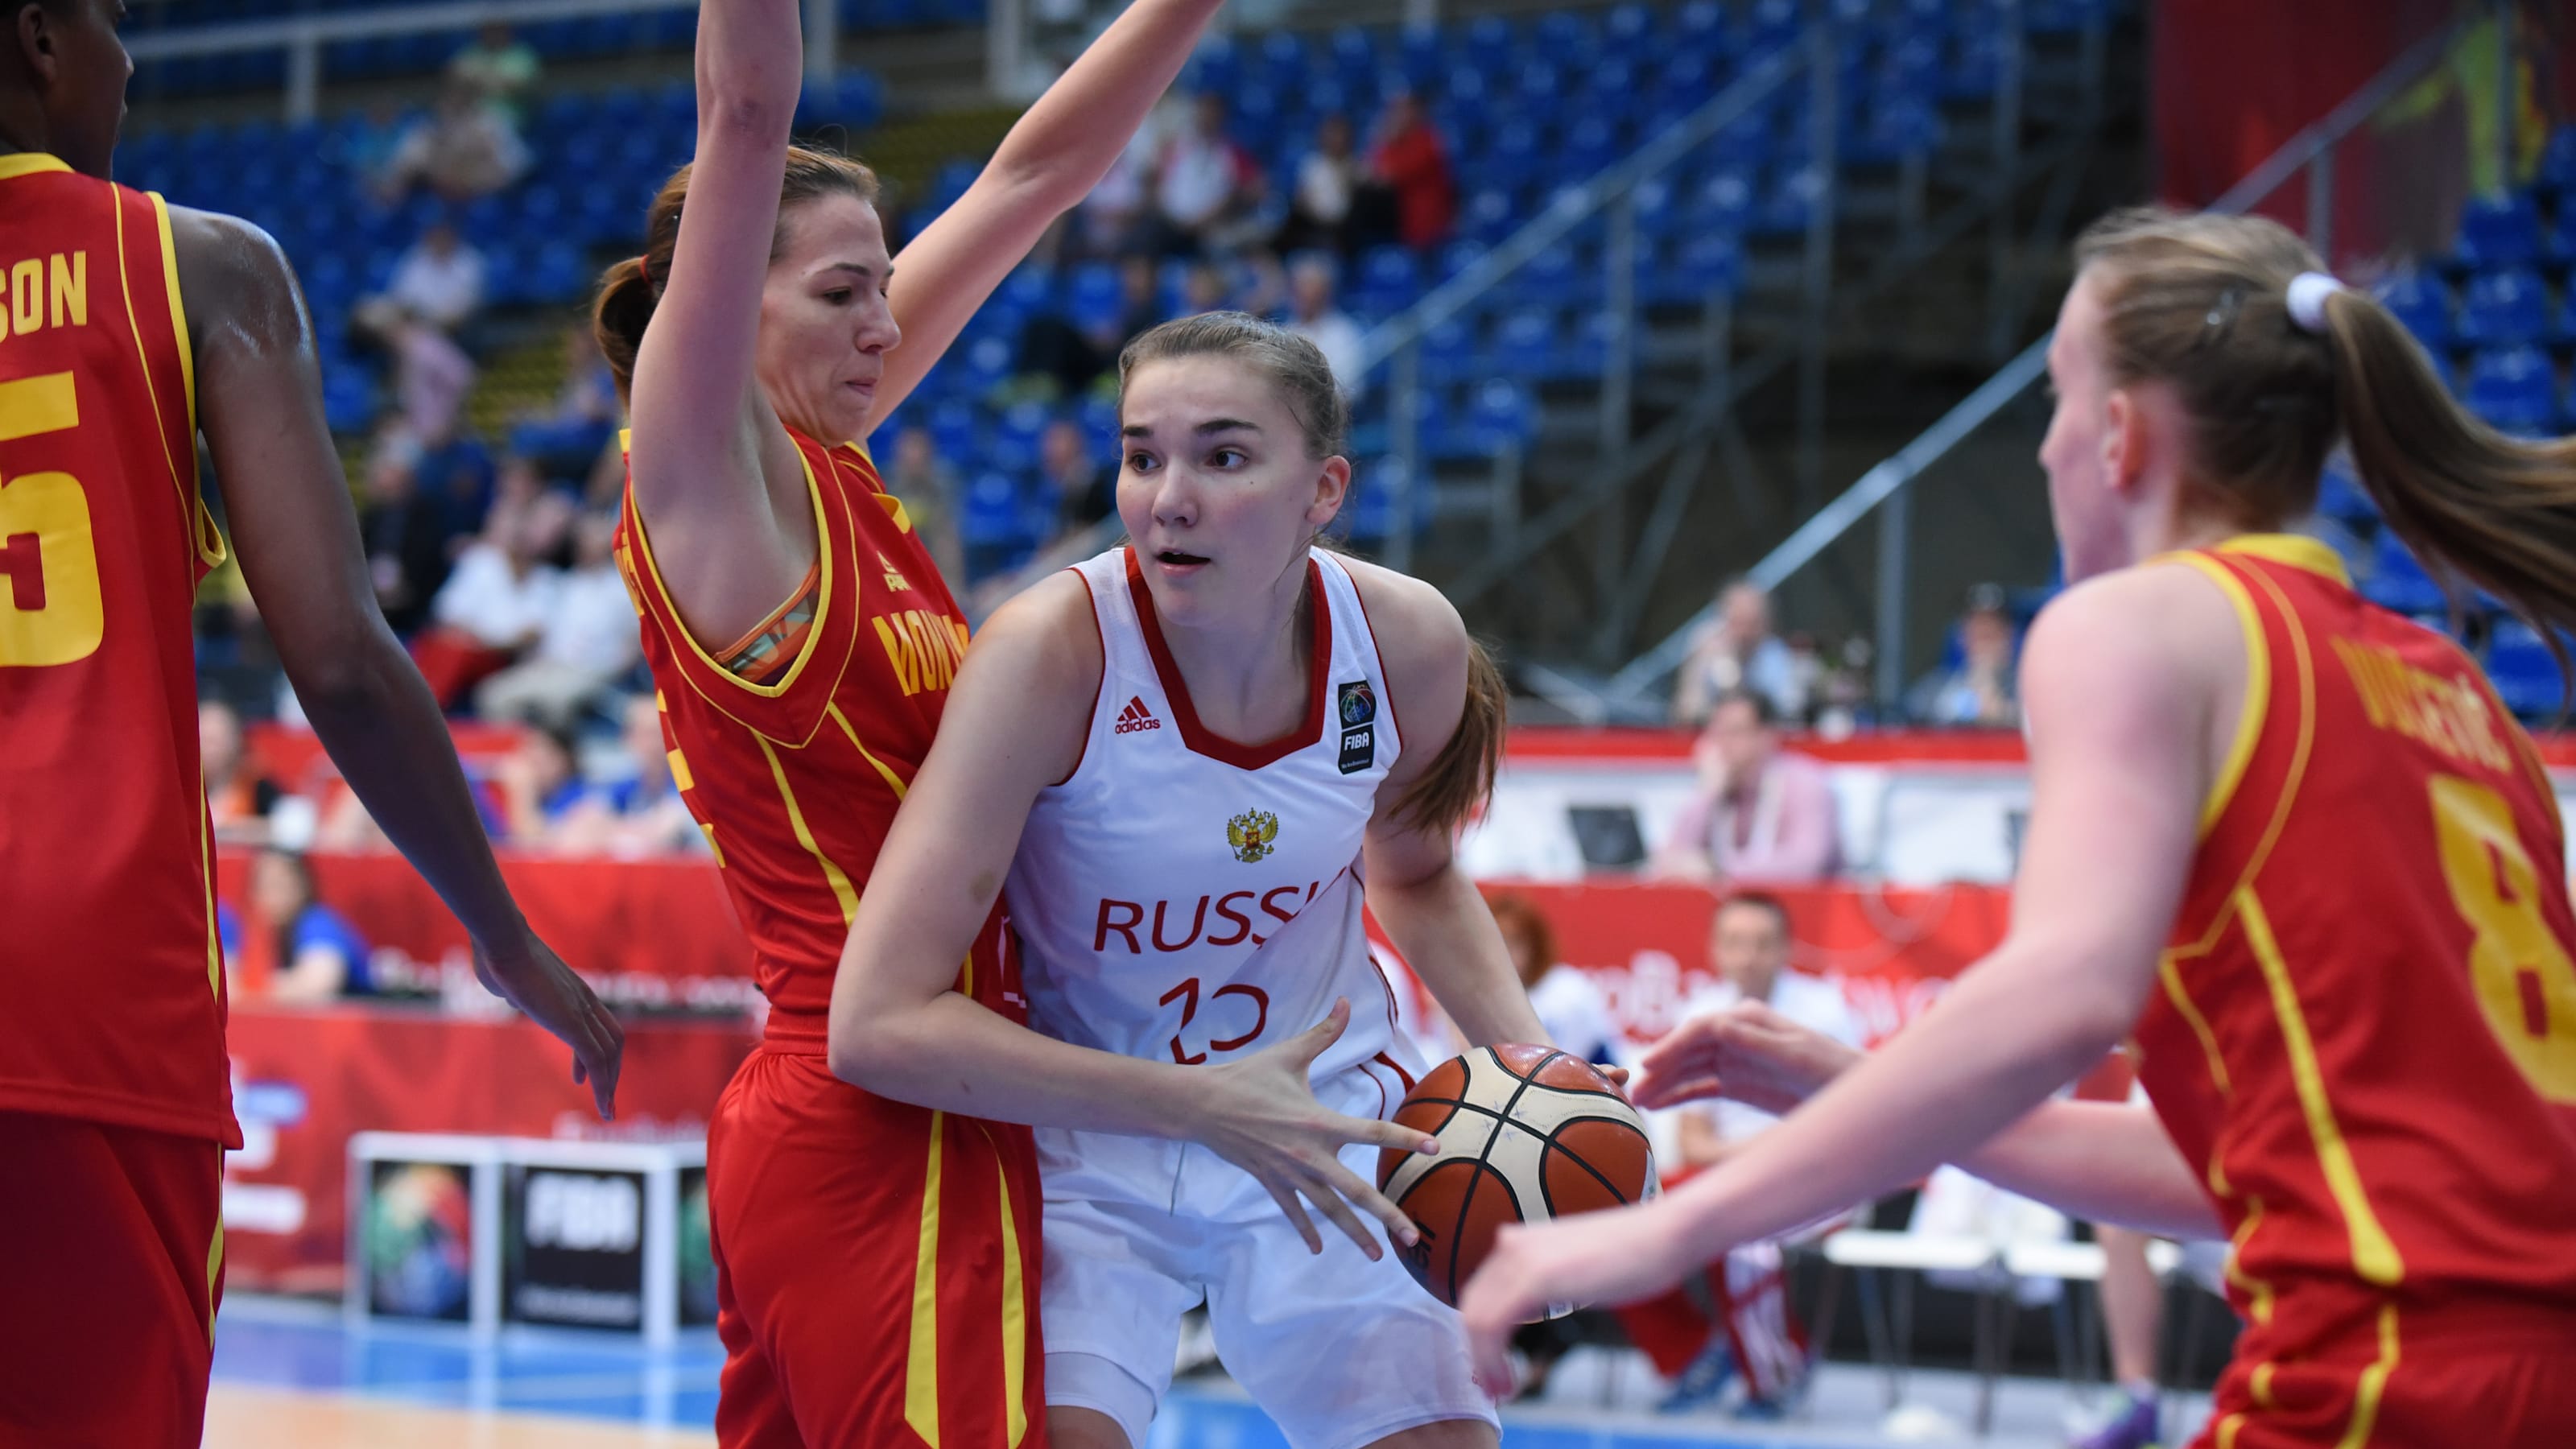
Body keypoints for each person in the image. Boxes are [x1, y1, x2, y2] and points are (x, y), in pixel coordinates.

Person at [1458, 208, 2576, 1446]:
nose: (2044, 446)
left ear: (2119, 434)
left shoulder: (2140, 625)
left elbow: (2067, 990)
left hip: (2387, 1368)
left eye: (2054, 398)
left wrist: (1673, 1228)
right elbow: (2245, 1171)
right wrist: (1870, 1096)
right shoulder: (2451, 688)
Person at [600, 0, 1224, 1442]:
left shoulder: (835, 463)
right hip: (874, 1113)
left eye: (884, 287)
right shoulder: (707, 479)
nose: (884, 323)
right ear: (718, 298)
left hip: (923, 1090)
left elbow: (1033, 175)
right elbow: (746, 108)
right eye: (842, 293)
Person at [0, 8, 620, 1444]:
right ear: (39, 39)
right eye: (110, 20)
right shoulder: (196, 263)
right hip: (90, 988)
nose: (128, 62)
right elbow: (337, 656)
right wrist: (501, 931)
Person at [829, 312, 1532, 1449]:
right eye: (1141, 456)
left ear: (1323, 491)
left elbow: (1416, 873)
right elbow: (872, 1024)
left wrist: (1535, 1073)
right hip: (1083, 1138)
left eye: (1224, 456)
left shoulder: (1403, 640)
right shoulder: (1048, 652)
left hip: (1319, 1124)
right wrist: (1200, 1102)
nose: (1169, 498)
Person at [1620, 893, 1862, 1417]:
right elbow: (1692, 1142)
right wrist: (1761, 1153)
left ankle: (1777, 1373)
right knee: (1614, 1221)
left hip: (1818, 1182)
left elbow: (1840, 1128)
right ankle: (1694, 1355)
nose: (1748, 956)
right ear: (1715, 949)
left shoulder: (1824, 1012)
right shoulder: (1702, 1013)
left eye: (1761, 943)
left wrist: (1755, 1158)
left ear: (1786, 949)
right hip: (1729, 1176)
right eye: (1734, 943)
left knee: (1741, 1225)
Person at [1651, 689, 1841, 885]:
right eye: (1716, 733)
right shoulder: (1716, 783)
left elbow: (1807, 862)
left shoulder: (1805, 783)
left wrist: (1718, 869)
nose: (1722, 744)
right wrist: (1706, 794)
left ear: (1767, 736)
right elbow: (1671, 863)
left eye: (1734, 732)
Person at [473, 508, 640, 730]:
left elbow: (635, 643)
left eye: (594, 543)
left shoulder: (623, 590)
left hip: (593, 671)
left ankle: (557, 750)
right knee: (492, 695)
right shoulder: (565, 584)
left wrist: (614, 672)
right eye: (583, 542)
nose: (587, 548)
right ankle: (519, 750)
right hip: (549, 666)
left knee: (556, 703)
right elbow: (541, 630)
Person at [1490, 893, 1615, 1066]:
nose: (1504, 953)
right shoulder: (1486, 995)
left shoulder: (1569, 994)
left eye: (1513, 943)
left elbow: (1560, 1068)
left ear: (1535, 946)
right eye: (1496, 942)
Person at [245, 848, 373, 1001]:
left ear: (303, 885)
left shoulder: (318, 923)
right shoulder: (267, 934)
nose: (271, 895)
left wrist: (255, 989)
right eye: (262, 885)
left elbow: (319, 982)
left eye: (279, 884)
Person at [1670, 578, 1802, 725]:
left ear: (1766, 623)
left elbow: (1790, 709)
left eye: (1753, 623)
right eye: (1739, 622)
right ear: (1724, 619)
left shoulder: (1775, 654)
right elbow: (1686, 711)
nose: (1746, 633)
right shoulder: (1706, 644)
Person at [1907, 582, 2021, 728]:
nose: (1985, 633)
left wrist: (2004, 713)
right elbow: (1906, 723)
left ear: (2009, 634)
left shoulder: (2027, 687)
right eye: (1977, 627)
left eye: (1993, 628)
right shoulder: (1935, 689)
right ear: (1961, 636)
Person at [201, 698, 285, 844]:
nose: (211, 749)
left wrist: (230, 830)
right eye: (204, 739)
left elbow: (287, 827)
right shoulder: (179, 789)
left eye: (217, 740)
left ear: (237, 739)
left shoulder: (258, 786)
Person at [1284, 254, 1365, 401]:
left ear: (1326, 292)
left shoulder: (1343, 333)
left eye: (1308, 285)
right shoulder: (1286, 329)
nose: (1299, 292)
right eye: (1296, 285)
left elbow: (1349, 388)